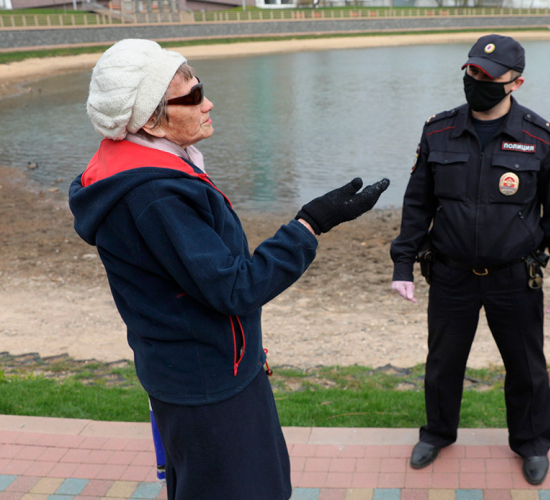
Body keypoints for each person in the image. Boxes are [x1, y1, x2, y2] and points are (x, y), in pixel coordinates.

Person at [69, 39, 388, 500]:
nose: (208, 103)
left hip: (206, 367)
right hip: (207, 386)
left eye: (203, 88)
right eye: (193, 96)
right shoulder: (154, 195)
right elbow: (235, 287)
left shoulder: (144, 167)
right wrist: (310, 224)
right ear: (150, 119)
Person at [390, 34, 550, 485]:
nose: (476, 80)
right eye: (472, 71)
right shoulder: (437, 130)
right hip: (450, 274)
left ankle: (533, 444)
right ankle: (437, 433)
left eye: (488, 75)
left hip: (514, 277)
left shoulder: (540, 137)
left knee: (526, 368)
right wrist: (403, 263)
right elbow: (417, 203)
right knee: (442, 363)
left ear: (515, 82)